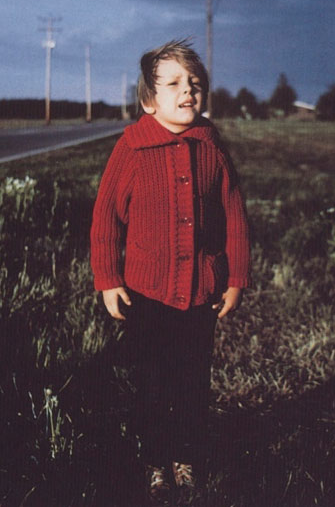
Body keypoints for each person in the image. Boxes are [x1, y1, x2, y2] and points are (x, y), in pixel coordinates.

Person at [90, 39, 250, 503]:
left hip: (201, 292)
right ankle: (155, 460)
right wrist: (108, 279)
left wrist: (236, 277)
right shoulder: (133, 148)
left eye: (195, 84)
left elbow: (234, 211)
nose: (188, 93)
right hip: (147, 293)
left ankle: (186, 456)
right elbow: (105, 217)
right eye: (175, 84)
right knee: (153, 382)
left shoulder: (210, 145)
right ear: (148, 100)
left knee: (192, 381)